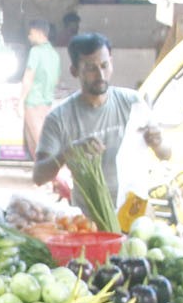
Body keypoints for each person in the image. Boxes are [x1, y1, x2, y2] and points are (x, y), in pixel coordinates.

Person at [32, 32, 169, 216]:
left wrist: (158, 143)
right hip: (89, 220)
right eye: (90, 68)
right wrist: (67, 153)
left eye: (104, 65)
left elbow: (166, 154)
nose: (100, 74)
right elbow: (39, 176)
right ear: (74, 70)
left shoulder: (132, 103)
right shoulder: (59, 118)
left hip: (135, 213)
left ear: (111, 63)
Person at [20, 19, 61, 158]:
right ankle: (40, 169)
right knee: (35, 142)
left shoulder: (35, 52)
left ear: (39, 33)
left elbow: (28, 77)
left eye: (31, 33)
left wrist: (21, 101)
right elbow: (56, 80)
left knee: (39, 143)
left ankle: (53, 169)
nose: (29, 37)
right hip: (47, 102)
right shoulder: (54, 54)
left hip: (33, 102)